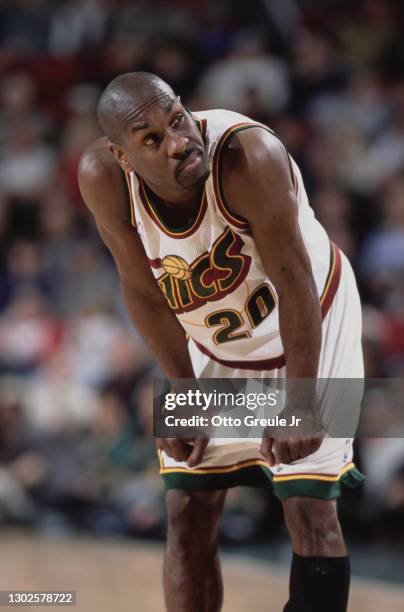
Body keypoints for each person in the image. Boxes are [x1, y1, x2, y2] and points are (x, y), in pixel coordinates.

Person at [78, 72, 365, 612]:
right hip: (215, 341)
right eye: (152, 140)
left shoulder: (247, 156)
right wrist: (182, 394)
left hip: (313, 323)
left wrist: (301, 401)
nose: (179, 142)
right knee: (187, 507)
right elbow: (141, 292)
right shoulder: (102, 177)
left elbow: (295, 284)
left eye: (178, 119)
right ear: (122, 156)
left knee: (308, 507)